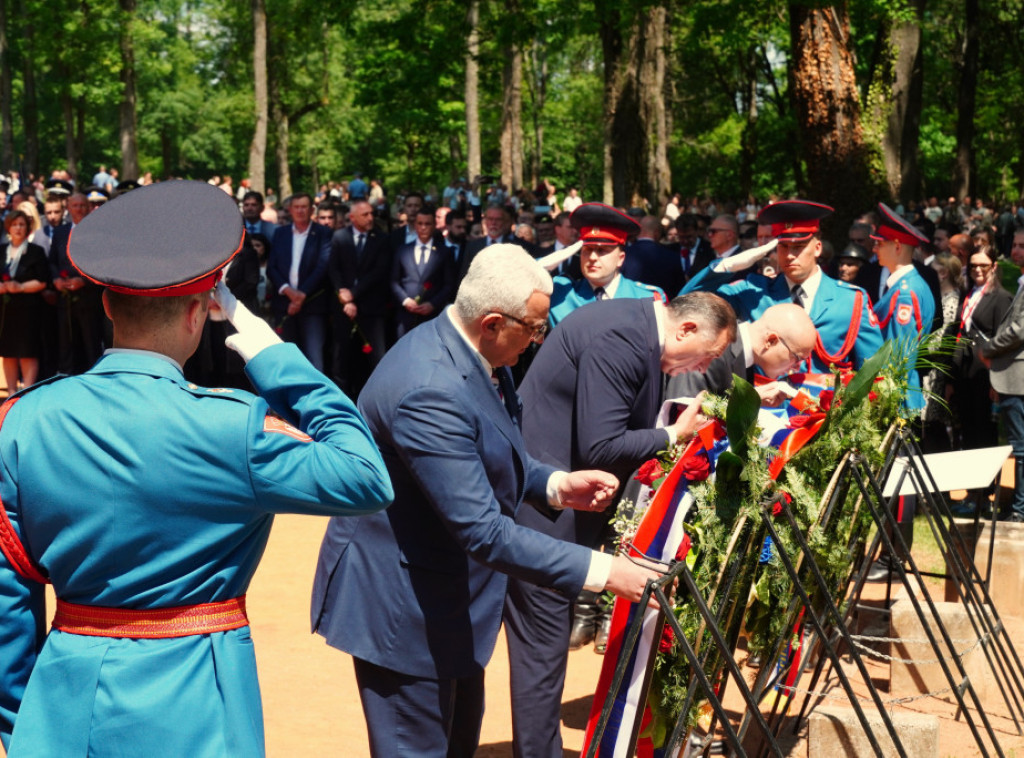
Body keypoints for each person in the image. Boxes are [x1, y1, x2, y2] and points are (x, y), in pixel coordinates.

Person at [0, 180, 392, 755]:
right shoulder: (234, 426)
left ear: (106, 306)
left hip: (66, 704)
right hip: (201, 703)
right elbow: (364, 475)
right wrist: (271, 354)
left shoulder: (20, 420)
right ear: (198, 313)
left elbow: (8, 599)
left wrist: (28, 725)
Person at [311, 244, 662, 758]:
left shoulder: (481, 353)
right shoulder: (429, 388)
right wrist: (606, 572)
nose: (539, 340)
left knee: (458, 741)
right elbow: (483, 530)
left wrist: (554, 484)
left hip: (449, 596)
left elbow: (492, 451)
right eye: (534, 328)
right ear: (493, 322)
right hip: (403, 610)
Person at [506, 291, 736, 758]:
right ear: (686, 329)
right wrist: (675, 434)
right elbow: (601, 447)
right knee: (541, 654)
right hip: (542, 512)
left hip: (557, 505)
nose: (703, 367)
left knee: (539, 651)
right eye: (708, 354)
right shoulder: (624, 338)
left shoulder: (637, 328)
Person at [684, 199, 883, 373]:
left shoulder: (850, 300)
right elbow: (687, 307)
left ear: (817, 248)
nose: (789, 255)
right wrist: (728, 266)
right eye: (783, 247)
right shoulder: (755, 291)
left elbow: (875, 369)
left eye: (798, 247)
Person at [665, 303, 816, 402]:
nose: (797, 367)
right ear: (770, 340)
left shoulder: (745, 354)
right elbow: (681, 410)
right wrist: (745, 402)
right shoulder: (713, 346)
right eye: (797, 358)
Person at [548, 203, 666, 327]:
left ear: (620, 259)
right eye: (587, 249)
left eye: (602, 250)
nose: (592, 257)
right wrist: (544, 264)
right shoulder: (561, 294)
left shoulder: (646, 299)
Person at [869, 202, 936, 410]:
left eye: (880, 244)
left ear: (897, 247)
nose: (874, 249)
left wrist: (884, 403)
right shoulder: (906, 286)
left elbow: (898, 358)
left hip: (895, 401)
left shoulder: (905, 293)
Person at [979, 230, 1024, 521]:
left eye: (1022, 246)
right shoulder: (1020, 282)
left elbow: (1019, 330)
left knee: (1020, 449)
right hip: (1012, 378)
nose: (1016, 250)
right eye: (1015, 245)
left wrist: (988, 348)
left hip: (1018, 379)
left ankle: (1019, 510)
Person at [949, 247, 1011, 452]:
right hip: (964, 372)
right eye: (973, 265)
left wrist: (997, 381)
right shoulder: (967, 294)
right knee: (967, 431)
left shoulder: (1001, 297)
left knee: (984, 433)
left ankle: (989, 475)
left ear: (994, 266)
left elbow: (1003, 340)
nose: (977, 270)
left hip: (986, 374)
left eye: (983, 265)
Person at [328, 199, 392, 395]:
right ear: (352, 217)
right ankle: (341, 401)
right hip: (344, 309)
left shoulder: (381, 239)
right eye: (365, 215)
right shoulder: (340, 237)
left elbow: (379, 272)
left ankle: (377, 399)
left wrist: (352, 294)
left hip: (371, 309)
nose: (370, 218)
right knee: (341, 358)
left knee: (376, 358)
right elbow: (333, 269)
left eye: (371, 214)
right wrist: (342, 294)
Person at [267, 192, 332, 371]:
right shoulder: (280, 233)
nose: (300, 211)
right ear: (290, 210)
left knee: (314, 358)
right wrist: (288, 291)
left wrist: (302, 294)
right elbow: (272, 267)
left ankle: (316, 390)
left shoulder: (323, 233)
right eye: (296, 207)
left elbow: (323, 267)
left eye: (304, 207)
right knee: (287, 358)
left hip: (313, 306)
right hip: (284, 304)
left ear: (312, 210)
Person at [49, 192, 105, 374]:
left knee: (91, 344)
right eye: (75, 205)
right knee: (66, 343)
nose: (79, 209)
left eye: (82, 205)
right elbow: (52, 261)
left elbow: (102, 265)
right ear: (68, 208)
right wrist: (56, 279)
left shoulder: (98, 233)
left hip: (89, 299)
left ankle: (94, 378)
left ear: (88, 208)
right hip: (64, 300)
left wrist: (84, 281)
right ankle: (66, 378)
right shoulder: (60, 232)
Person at [0, 210, 49, 392]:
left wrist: (20, 287)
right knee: (8, 352)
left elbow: (43, 281)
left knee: (27, 351)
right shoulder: (1, 250)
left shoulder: (36, 251)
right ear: (8, 228)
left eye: (21, 224)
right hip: (5, 310)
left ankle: (27, 392)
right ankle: (11, 393)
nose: (18, 228)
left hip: (28, 309)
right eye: (14, 225)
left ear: (27, 228)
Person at [390, 206, 456, 339]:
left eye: (427, 224)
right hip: (405, 316)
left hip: (433, 316)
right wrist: (405, 300)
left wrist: (433, 304)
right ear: (415, 225)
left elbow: (449, 284)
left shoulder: (444, 252)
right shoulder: (402, 250)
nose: (423, 227)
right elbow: (393, 281)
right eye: (420, 223)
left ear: (434, 225)